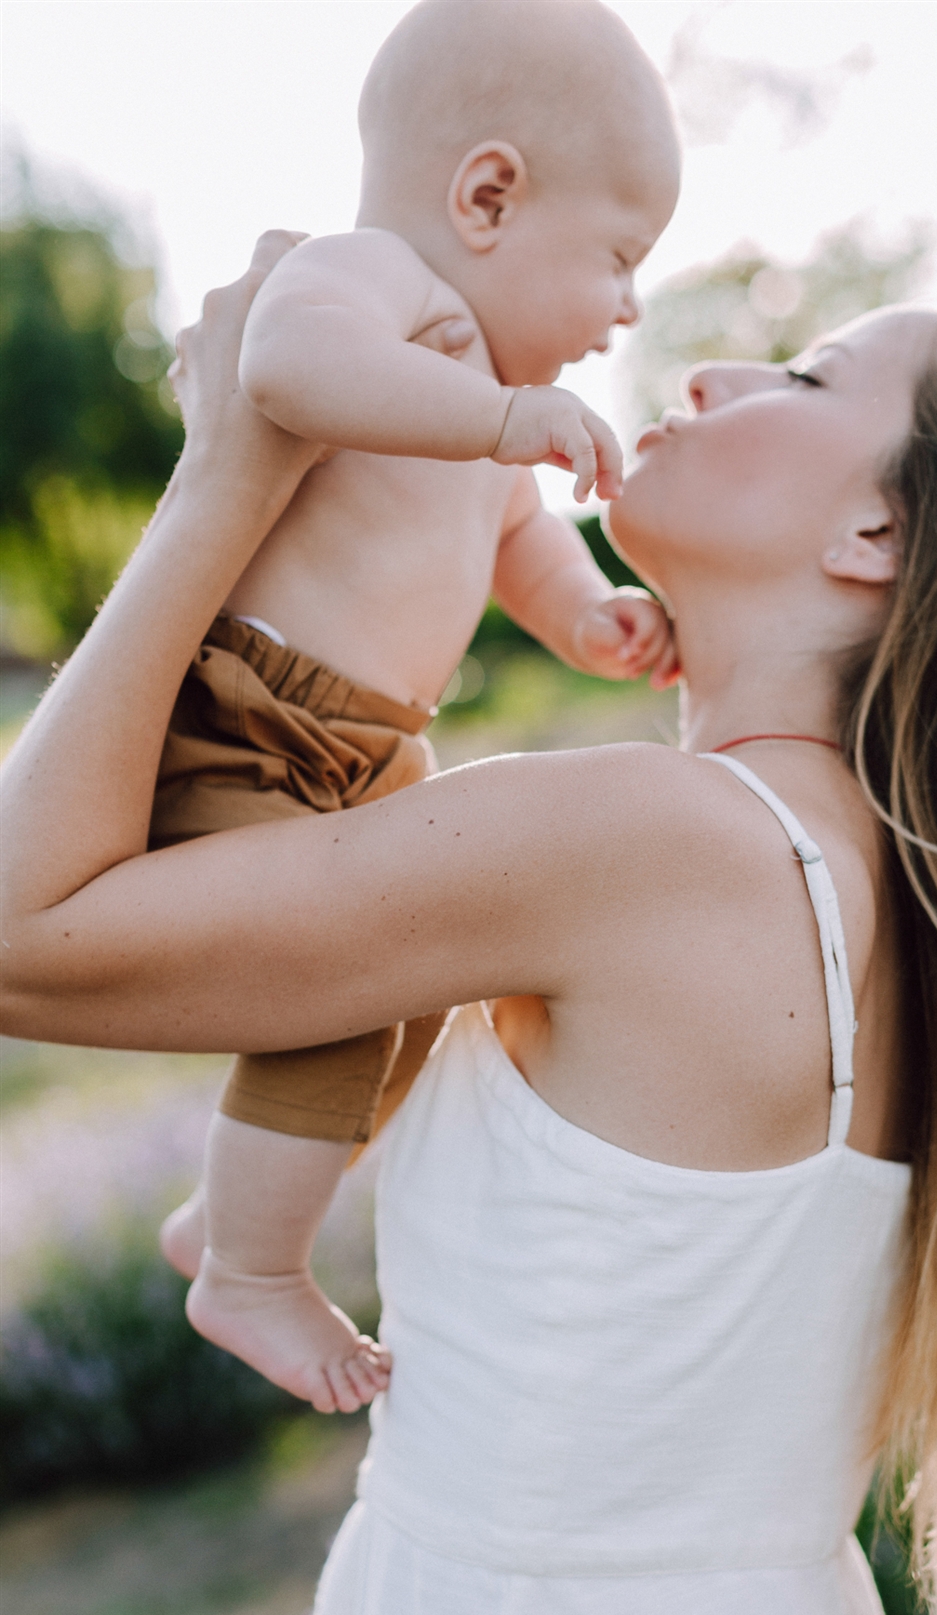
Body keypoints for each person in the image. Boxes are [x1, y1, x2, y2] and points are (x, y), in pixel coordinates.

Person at [3, 238, 937, 1615]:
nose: (713, 372)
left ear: (875, 535)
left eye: (806, 376)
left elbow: (27, 933)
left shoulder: (655, 844)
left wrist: (233, 466)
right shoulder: (913, 903)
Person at [153, 0, 681, 1416]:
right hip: (255, 721)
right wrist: (500, 420)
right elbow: (285, 366)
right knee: (340, 987)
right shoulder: (370, 282)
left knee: (421, 988)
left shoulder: (478, 407)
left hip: (374, 751)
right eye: (620, 259)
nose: (629, 309)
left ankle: (229, 1214)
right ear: (488, 196)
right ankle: (249, 1270)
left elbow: (520, 543)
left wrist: (588, 614)